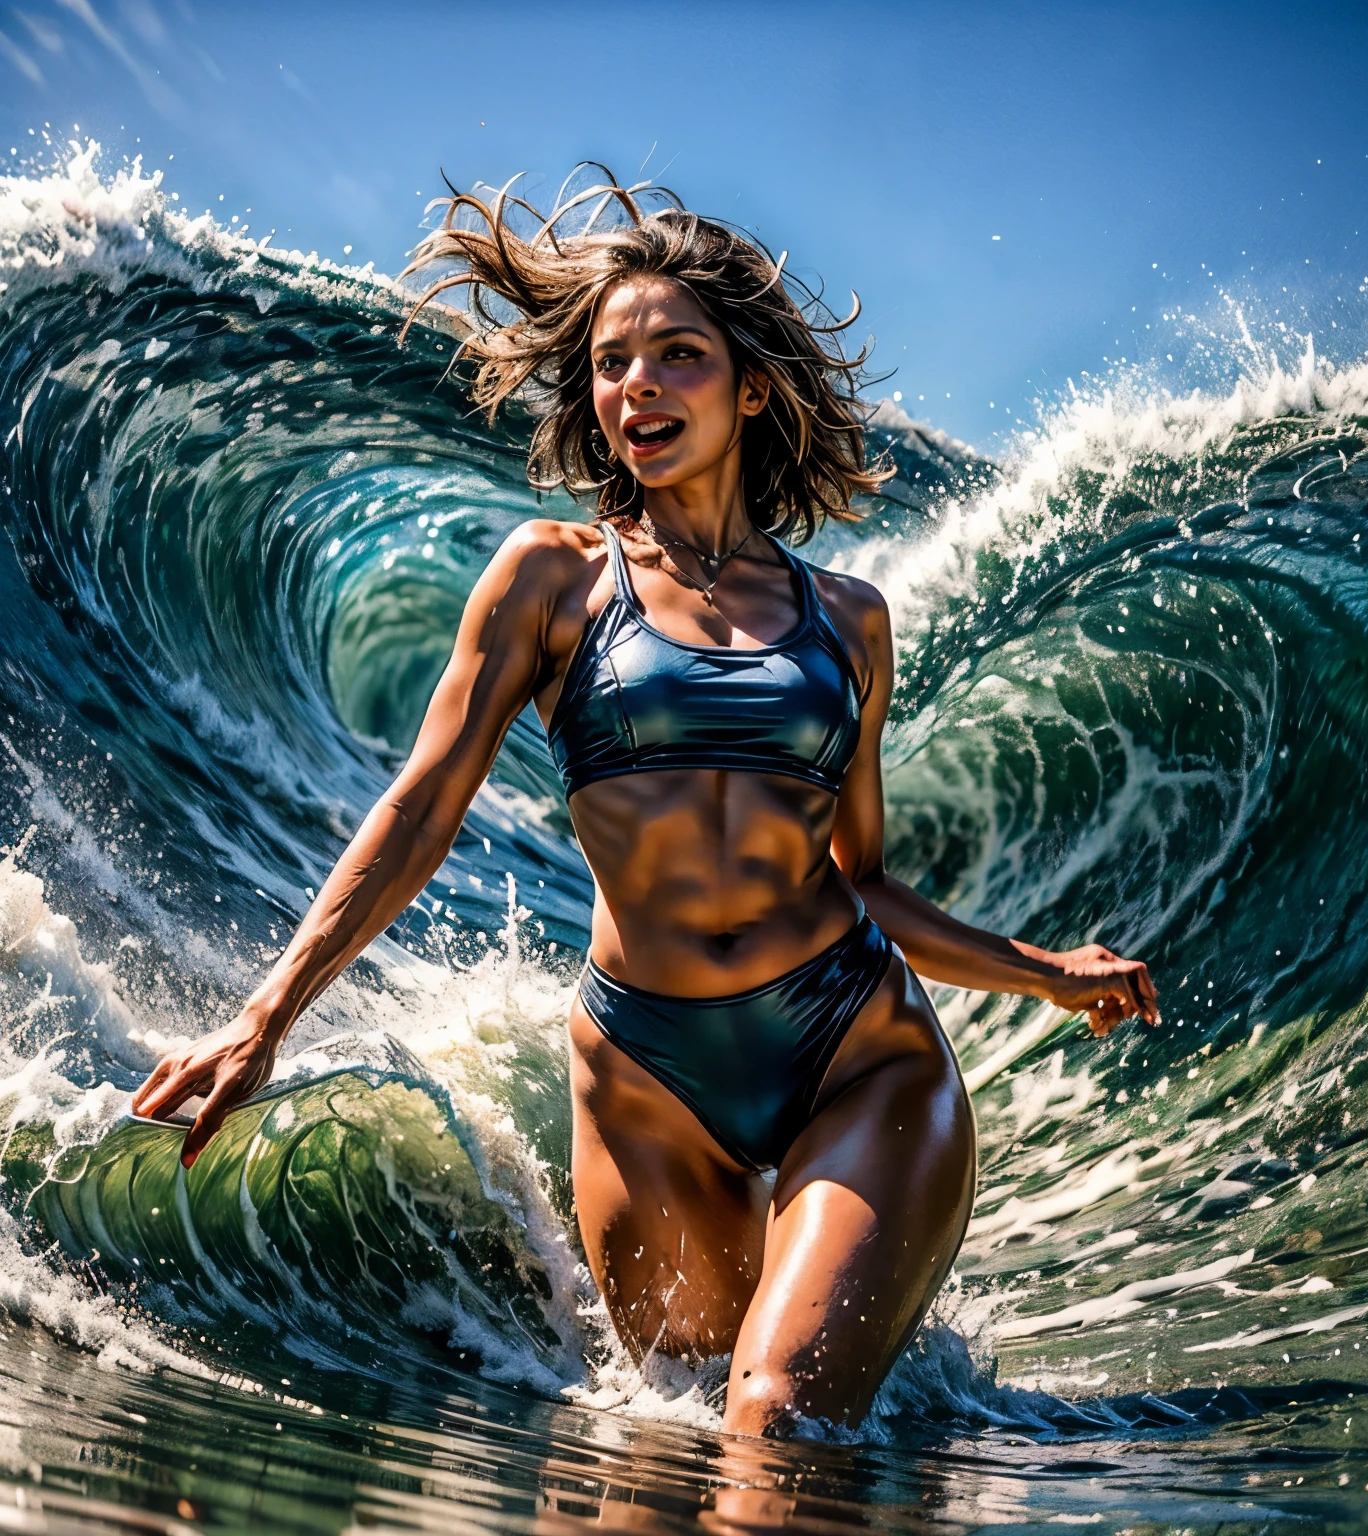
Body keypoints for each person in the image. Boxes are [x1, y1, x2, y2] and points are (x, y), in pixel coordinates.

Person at [132, 173, 1159, 1438]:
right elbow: (422, 807)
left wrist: (1045, 973)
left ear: (753, 388)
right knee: (674, 1438)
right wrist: (264, 1016)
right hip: (646, 1076)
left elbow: (865, 883)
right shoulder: (551, 581)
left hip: (850, 1050)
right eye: (615, 364)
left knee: (773, 1417)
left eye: (679, 355)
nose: (639, 388)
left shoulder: (850, 623)